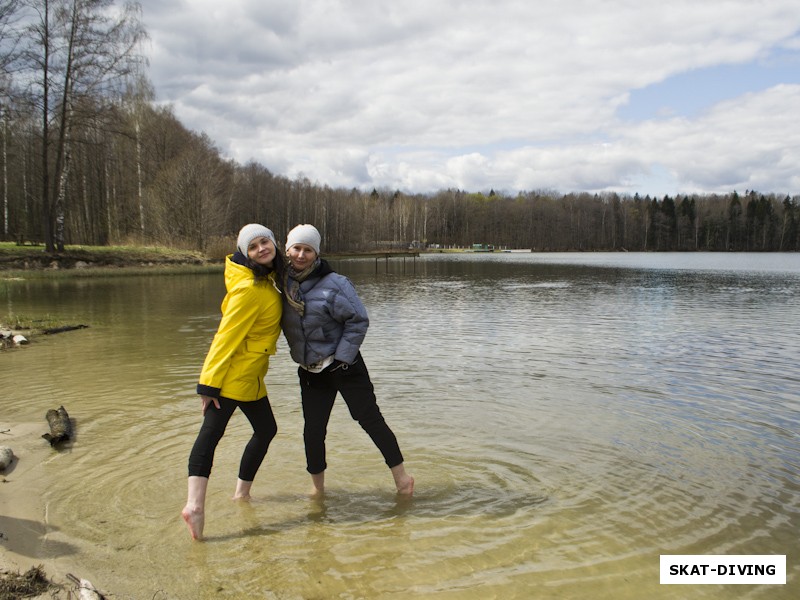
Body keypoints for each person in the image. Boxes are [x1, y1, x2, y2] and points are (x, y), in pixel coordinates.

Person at [281, 224, 414, 497]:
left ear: (316, 254)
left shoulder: (335, 284)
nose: (301, 255)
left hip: (346, 367)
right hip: (310, 371)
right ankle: (318, 490)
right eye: (297, 248)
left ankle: (403, 480)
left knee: (370, 420)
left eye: (308, 250)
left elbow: (358, 321)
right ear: (287, 250)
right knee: (313, 432)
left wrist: (342, 358)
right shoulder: (283, 286)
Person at [181, 224, 285, 541]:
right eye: (252, 246)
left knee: (265, 429)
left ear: (274, 243)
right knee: (210, 436)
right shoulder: (249, 289)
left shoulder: (264, 281)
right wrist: (207, 386)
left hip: (250, 377)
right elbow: (224, 338)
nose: (261, 249)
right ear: (245, 253)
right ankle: (194, 506)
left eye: (264, 241)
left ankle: (241, 495)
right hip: (232, 379)